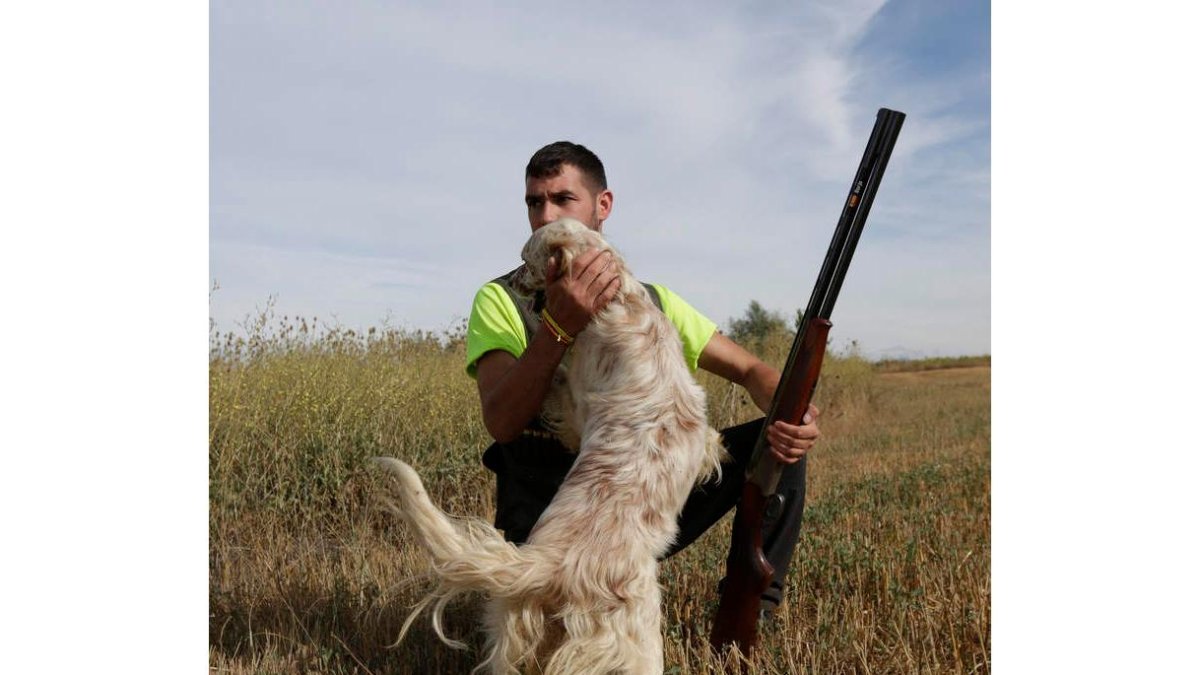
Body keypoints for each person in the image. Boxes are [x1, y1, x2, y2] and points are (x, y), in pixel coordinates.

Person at [464, 141, 820, 612]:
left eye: (563, 199)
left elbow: (752, 370)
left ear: (603, 205)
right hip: (550, 505)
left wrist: (791, 408)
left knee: (776, 446)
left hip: (642, 503)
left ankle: (753, 607)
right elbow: (503, 423)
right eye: (535, 202)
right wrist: (558, 327)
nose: (547, 216)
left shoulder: (650, 300)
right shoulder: (500, 299)